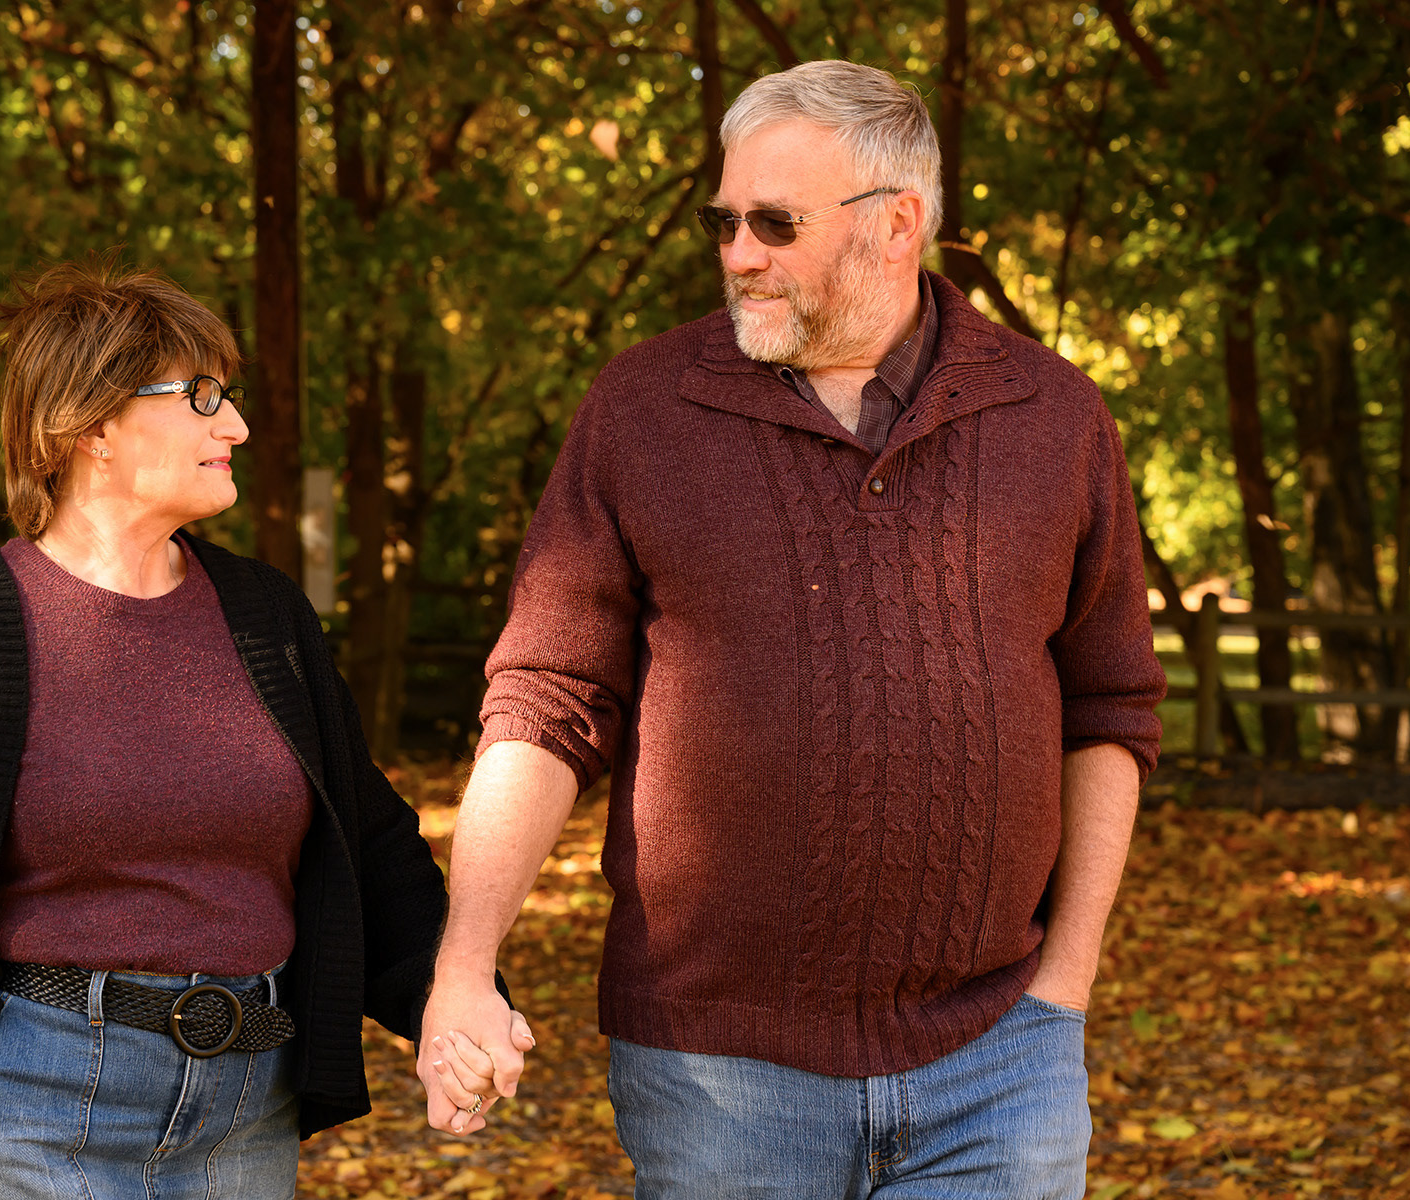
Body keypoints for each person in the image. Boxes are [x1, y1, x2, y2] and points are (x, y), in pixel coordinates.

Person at [416, 60, 1168, 1197]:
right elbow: (546, 700)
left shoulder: (1051, 415)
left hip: (1000, 1062)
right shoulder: (643, 409)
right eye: (723, 221)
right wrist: (465, 966)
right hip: (717, 1077)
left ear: (898, 224)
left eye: (776, 223)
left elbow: (1109, 706)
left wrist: (1064, 984)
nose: (737, 254)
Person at [0, 259, 526, 1198]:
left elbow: (370, 846)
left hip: (244, 1119)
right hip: (26, 1109)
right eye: (201, 397)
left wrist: (451, 1002)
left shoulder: (267, 617)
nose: (236, 426)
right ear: (91, 427)